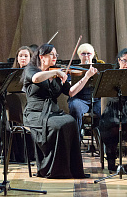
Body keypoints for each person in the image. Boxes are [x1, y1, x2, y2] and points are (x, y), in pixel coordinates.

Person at [23, 43, 97, 178]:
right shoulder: (31, 70)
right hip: (35, 113)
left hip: (53, 111)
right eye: (51, 54)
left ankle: (70, 169)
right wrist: (56, 72)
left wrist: (86, 77)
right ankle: (52, 169)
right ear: (41, 57)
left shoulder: (57, 75)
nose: (55, 57)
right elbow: (36, 79)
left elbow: (71, 92)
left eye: (56, 55)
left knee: (71, 122)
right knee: (59, 126)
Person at [68, 43, 101, 140]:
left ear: (93, 55)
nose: (86, 56)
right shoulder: (74, 69)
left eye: (89, 54)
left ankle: (100, 139)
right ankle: (76, 139)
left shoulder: (98, 68)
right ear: (79, 55)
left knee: (103, 109)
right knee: (75, 107)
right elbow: (70, 86)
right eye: (83, 54)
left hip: (95, 98)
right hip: (79, 98)